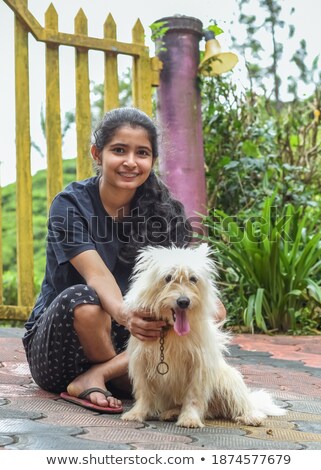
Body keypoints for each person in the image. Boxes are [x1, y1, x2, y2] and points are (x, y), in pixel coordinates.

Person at [22, 107, 226, 413]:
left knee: (203, 310)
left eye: (142, 153)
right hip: (61, 349)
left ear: (152, 161)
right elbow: (99, 277)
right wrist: (129, 316)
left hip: (132, 345)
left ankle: (104, 374)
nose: (131, 162)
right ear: (97, 153)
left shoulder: (165, 213)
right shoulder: (70, 205)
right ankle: (110, 379)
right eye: (119, 150)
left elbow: (193, 287)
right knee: (86, 300)